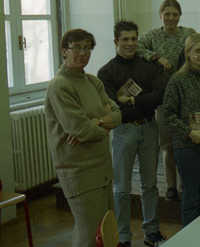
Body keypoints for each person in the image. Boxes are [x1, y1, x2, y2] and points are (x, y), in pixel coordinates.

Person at [44, 29, 122, 247]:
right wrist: (101, 123)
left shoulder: (92, 81)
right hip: (79, 172)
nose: (82, 53)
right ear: (64, 51)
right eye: (76, 47)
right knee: (89, 236)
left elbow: (118, 114)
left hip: (102, 168)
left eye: (87, 48)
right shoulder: (60, 85)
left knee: (105, 233)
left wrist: (96, 122)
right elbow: (81, 129)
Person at [97, 21, 166, 247]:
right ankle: (123, 237)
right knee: (122, 189)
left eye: (134, 39)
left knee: (150, 185)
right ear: (116, 41)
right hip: (123, 131)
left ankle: (151, 231)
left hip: (149, 127)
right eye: (125, 39)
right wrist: (139, 102)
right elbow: (113, 108)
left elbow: (160, 96)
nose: (130, 43)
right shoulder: (106, 72)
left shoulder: (148, 67)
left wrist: (132, 101)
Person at [138, 0, 196, 202]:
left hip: (186, 96)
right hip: (163, 97)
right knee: (167, 144)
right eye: (167, 14)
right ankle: (171, 185)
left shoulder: (188, 34)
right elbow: (136, 48)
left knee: (187, 140)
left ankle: (184, 184)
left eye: (175, 14)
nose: (171, 18)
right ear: (160, 15)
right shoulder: (152, 35)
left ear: (180, 15)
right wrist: (156, 58)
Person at [161, 34, 200, 226]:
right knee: (191, 195)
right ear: (187, 53)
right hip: (187, 146)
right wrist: (189, 132)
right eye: (197, 51)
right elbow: (167, 115)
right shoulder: (177, 80)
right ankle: (190, 236)